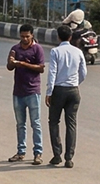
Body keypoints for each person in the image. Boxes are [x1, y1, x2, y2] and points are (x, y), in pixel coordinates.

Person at [41, 25, 88, 169]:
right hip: (73, 90)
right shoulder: (78, 52)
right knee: (71, 124)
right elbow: (83, 72)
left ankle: (57, 154)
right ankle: (69, 157)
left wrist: (49, 92)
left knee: (54, 121)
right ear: (70, 37)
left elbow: (52, 72)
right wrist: (75, 82)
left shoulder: (56, 51)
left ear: (58, 37)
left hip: (59, 90)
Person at [6, 25, 46, 165]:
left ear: (32, 36)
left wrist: (22, 63)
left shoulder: (37, 49)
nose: (24, 39)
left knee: (35, 123)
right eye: (22, 36)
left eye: (27, 36)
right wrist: (11, 61)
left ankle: (38, 152)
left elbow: (41, 68)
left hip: (33, 91)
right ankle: (21, 151)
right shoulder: (15, 49)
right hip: (18, 91)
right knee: (20, 124)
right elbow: (10, 67)